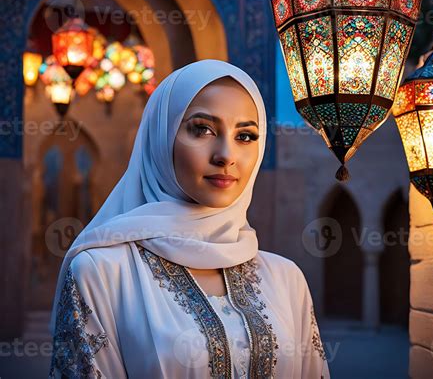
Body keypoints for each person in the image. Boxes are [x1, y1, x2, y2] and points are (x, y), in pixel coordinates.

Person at [48, 59, 330, 378]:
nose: (226, 155)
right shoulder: (101, 273)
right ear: (160, 137)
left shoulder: (285, 278)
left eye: (246, 136)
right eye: (203, 129)